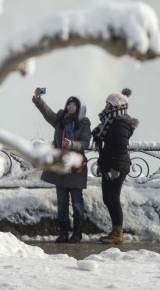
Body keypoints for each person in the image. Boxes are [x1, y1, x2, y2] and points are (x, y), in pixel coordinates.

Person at [32, 88, 91, 244]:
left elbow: (86, 143)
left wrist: (73, 144)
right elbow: (48, 113)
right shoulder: (60, 120)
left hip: (75, 167)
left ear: (79, 108)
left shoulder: (84, 123)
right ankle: (63, 233)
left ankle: (77, 234)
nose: (70, 107)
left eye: (74, 105)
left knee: (77, 203)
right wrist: (39, 100)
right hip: (60, 167)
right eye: (69, 104)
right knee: (62, 203)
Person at [91, 88, 139, 244]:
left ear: (114, 106)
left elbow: (120, 148)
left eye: (108, 104)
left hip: (116, 166)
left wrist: (115, 169)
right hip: (109, 164)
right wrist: (103, 164)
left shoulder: (119, 124)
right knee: (108, 198)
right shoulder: (110, 122)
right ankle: (115, 231)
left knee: (113, 198)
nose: (105, 107)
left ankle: (118, 233)